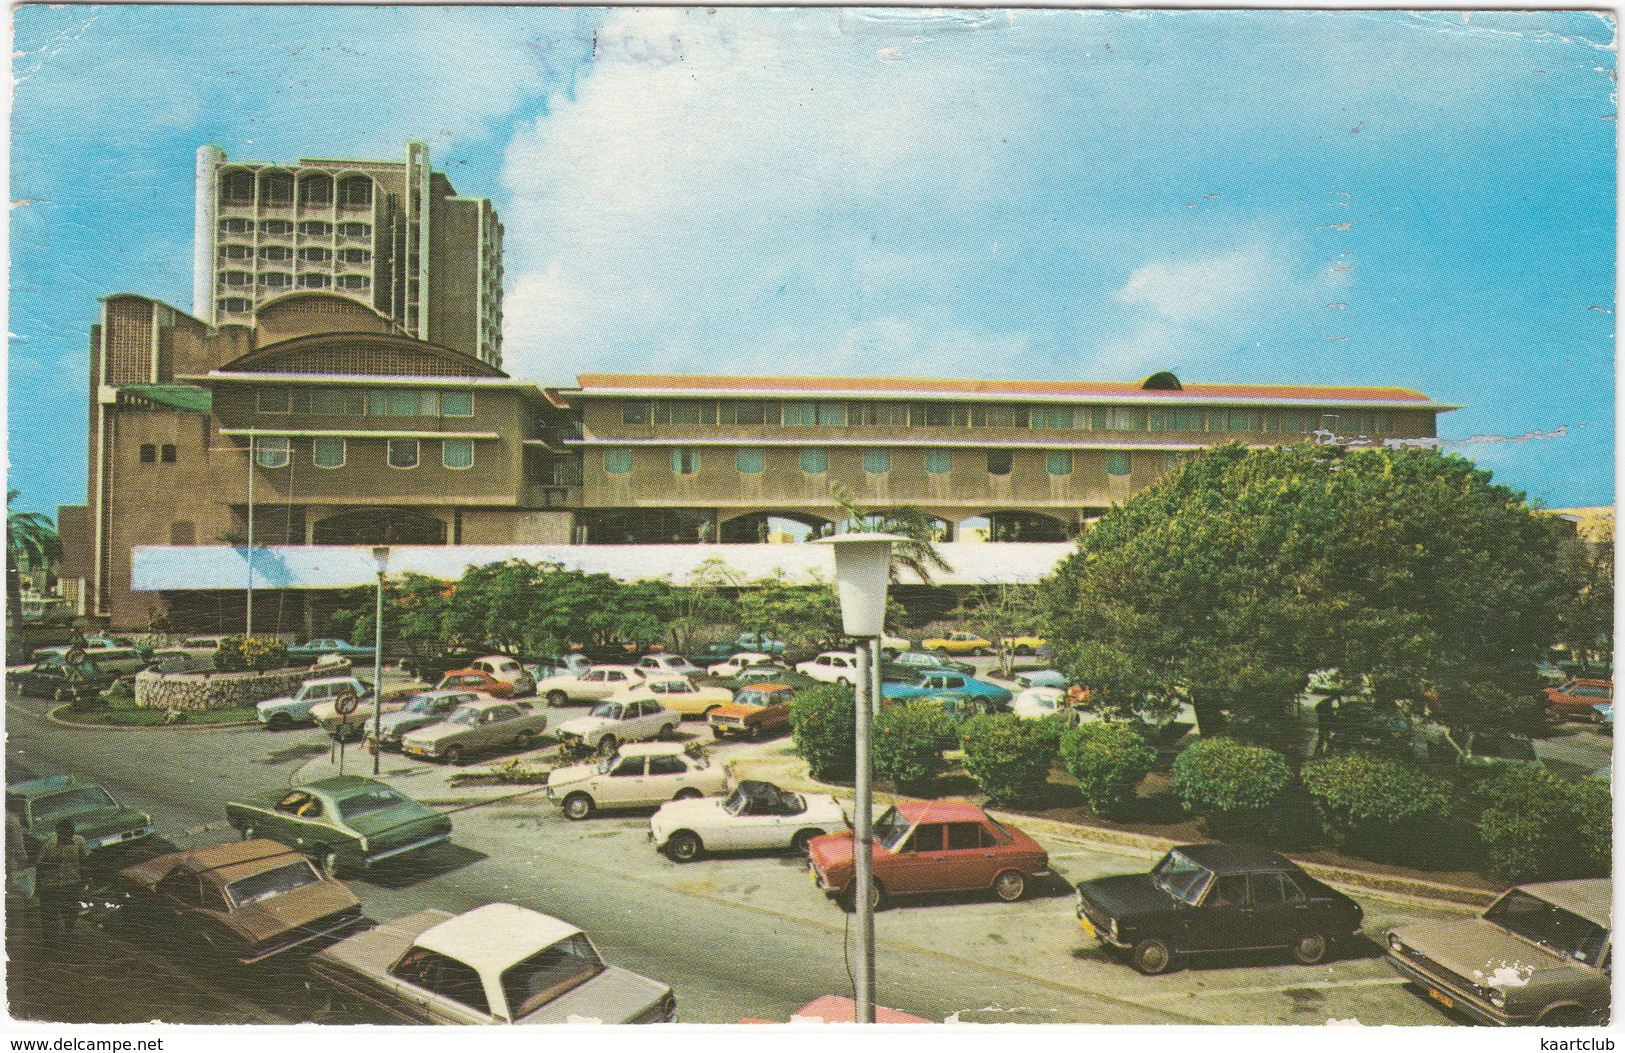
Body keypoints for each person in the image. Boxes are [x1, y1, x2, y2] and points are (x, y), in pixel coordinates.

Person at [34, 819, 88, 946]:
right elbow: (40, 866)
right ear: (58, 833)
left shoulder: (79, 842)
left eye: (70, 833)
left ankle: (68, 935)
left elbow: (85, 860)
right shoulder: (49, 846)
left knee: (70, 911)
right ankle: (49, 941)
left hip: (71, 883)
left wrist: (85, 880)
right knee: (49, 915)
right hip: (51, 885)